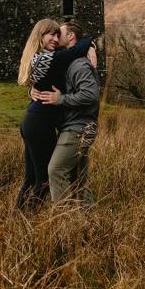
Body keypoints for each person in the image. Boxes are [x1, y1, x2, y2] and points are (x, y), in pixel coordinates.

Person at [16, 19, 95, 211]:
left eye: (58, 35)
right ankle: (30, 217)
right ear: (40, 36)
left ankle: (18, 217)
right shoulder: (50, 59)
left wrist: (32, 92)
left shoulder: (40, 57)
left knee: (32, 178)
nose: (56, 39)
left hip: (33, 121)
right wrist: (91, 43)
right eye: (51, 34)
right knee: (44, 179)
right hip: (40, 124)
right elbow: (75, 50)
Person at [36, 21, 100, 206]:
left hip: (78, 127)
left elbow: (90, 95)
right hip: (78, 126)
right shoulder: (69, 62)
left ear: (71, 36)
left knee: (56, 170)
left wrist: (60, 99)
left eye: (60, 34)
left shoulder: (78, 65)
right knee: (78, 180)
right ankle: (88, 219)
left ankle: (63, 218)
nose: (56, 38)